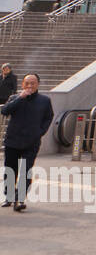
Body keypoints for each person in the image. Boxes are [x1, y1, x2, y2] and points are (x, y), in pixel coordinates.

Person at [1, 73, 54, 212]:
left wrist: (40, 132)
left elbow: (48, 118)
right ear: (22, 84)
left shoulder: (44, 101)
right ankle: (10, 196)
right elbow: (5, 111)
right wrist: (20, 98)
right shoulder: (14, 98)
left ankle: (19, 199)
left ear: (38, 85)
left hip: (31, 142)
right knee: (10, 170)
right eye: (27, 83)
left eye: (33, 83)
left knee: (26, 170)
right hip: (12, 140)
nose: (30, 86)